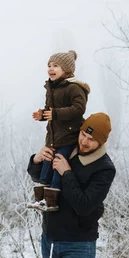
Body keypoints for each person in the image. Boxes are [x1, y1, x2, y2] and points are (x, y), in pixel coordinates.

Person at [27, 112, 116, 258]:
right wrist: (37, 160)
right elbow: (40, 178)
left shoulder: (104, 168)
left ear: (101, 142)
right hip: (49, 239)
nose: (84, 142)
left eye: (92, 139)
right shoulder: (66, 149)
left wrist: (67, 173)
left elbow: (84, 206)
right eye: (83, 135)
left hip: (78, 243)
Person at [30, 49, 90, 211]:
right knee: (47, 161)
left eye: (55, 65)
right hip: (53, 136)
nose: (51, 68)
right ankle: (40, 198)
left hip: (69, 135)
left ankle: (51, 201)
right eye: (49, 65)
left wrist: (55, 113)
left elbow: (78, 109)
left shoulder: (74, 88)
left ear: (66, 69)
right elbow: (51, 110)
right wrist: (42, 115)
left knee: (58, 162)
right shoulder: (51, 87)